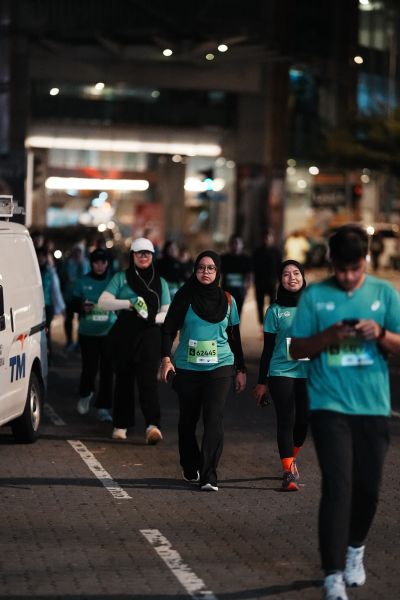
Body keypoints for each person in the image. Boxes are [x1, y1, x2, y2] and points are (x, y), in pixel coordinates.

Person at [290, 225, 400, 600]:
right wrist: (328, 337)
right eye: (341, 269)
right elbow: (295, 349)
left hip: (372, 405)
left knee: (368, 488)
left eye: (355, 269)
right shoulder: (315, 295)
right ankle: (332, 573)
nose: (349, 277)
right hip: (328, 405)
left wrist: (380, 334)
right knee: (338, 486)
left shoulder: (384, 293)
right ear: (331, 262)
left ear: (365, 261)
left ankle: (355, 550)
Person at [160, 250, 247, 491]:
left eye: (210, 268)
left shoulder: (228, 300)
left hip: (220, 366)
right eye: (201, 267)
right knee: (188, 421)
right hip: (188, 367)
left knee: (213, 418)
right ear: (195, 270)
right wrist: (166, 359)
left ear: (218, 272)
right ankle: (190, 464)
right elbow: (168, 330)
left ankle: (209, 475)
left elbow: (235, 337)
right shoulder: (184, 296)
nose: (205, 272)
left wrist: (241, 369)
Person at [98, 237, 170, 443]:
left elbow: (168, 312)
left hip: (150, 335)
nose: (143, 256)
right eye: (139, 253)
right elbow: (103, 302)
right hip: (125, 335)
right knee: (123, 380)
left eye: (147, 253)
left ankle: (152, 426)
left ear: (152, 256)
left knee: (148, 382)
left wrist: (151, 318)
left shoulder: (161, 282)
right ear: (132, 255)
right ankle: (121, 425)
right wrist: (129, 303)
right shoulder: (121, 277)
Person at [253, 260, 308, 492]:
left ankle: (292, 458)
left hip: (309, 372)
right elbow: (267, 349)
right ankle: (288, 471)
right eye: (286, 274)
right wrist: (261, 382)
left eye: (296, 273)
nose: (292, 277)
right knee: (286, 419)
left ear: (303, 277)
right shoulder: (274, 310)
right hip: (281, 371)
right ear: (280, 280)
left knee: (303, 421)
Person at [71, 249, 116, 422]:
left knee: (107, 370)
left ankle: (104, 407)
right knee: (89, 368)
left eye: (103, 262)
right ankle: (86, 394)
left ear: (107, 264)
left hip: (108, 332)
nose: (100, 266)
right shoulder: (82, 281)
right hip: (88, 333)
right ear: (91, 263)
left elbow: (121, 302)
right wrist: (82, 307)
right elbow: (72, 304)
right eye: (96, 262)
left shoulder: (113, 281)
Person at [36, 247, 65, 363]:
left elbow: (55, 291)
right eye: (39, 256)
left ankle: (48, 356)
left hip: (47, 306)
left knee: (46, 332)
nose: (40, 258)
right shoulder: (34, 270)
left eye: (42, 256)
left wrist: (61, 307)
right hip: (35, 307)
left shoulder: (50, 272)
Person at [60, 244, 90, 351]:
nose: (77, 254)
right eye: (76, 251)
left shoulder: (86, 263)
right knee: (68, 319)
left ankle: (79, 343)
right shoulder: (68, 263)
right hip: (69, 295)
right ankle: (69, 341)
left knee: (82, 320)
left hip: (82, 296)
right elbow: (62, 277)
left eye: (79, 251)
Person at [252, 231, 282, 327]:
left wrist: (279, 281)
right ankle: (261, 324)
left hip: (272, 282)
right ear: (262, 239)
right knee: (259, 304)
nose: (267, 240)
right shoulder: (257, 252)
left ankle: (270, 322)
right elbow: (253, 267)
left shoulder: (276, 252)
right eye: (265, 238)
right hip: (259, 282)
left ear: (272, 239)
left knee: (272, 303)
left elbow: (279, 267)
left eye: (269, 238)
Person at [220, 234, 252, 316]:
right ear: (229, 245)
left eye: (237, 243)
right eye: (233, 243)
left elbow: (249, 275)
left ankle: (235, 324)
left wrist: (247, 288)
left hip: (240, 291)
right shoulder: (224, 258)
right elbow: (218, 274)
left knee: (237, 313)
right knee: (226, 313)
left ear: (242, 245)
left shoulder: (246, 259)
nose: (235, 245)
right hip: (226, 291)